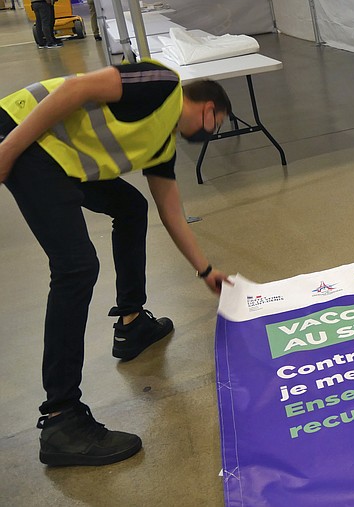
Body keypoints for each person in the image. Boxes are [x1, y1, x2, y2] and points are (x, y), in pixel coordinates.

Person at [0, 60, 232, 467]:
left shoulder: (162, 143)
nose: (211, 134)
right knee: (76, 267)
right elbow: (75, 91)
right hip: (25, 134)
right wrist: (8, 150)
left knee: (131, 206)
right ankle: (61, 418)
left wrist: (205, 270)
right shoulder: (163, 84)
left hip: (61, 158)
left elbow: (170, 210)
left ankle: (132, 322)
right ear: (209, 108)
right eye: (217, 124)